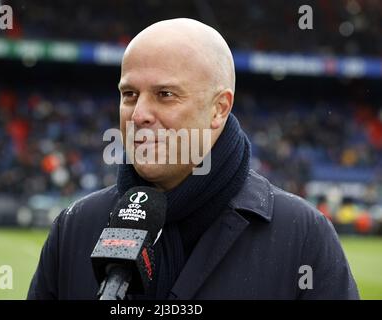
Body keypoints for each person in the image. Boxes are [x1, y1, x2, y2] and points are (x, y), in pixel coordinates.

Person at [27, 18, 359, 299]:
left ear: (219, 109)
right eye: (129, 95)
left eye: (165, 95)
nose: (139, 114)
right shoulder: (75, 228)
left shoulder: (302, 236)